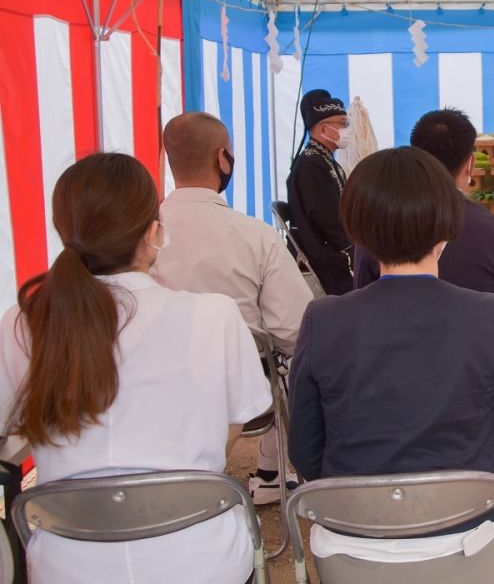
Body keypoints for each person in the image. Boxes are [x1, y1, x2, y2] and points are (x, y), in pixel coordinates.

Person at [0, 153, 270, 584]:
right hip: (201, 559)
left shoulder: (22, 323)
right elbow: (235, 424)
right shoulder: (213, 315)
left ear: (63, 230)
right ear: (154, 232)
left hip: (68, 563)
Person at [288, 147, 494, 565]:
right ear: (447, 226)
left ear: (359, 232)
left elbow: (306, 447)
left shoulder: (323, 319)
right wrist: (476, 491)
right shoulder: (493, 315)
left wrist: (360, 497)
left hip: (354, 542)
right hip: (470, 536)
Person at [154, 111, 313, 504]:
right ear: (222, 159)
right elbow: (295, 329)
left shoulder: (140, 236)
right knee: (291, 360)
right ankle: (275, 470)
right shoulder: (254, 235)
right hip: (245, 396)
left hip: (154, 387)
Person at [352, 108, 494, 316]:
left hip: (391, 343)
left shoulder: (376, 221)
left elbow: (362, 303)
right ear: (471, 164)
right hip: (474, 345)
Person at [287, 89, 353, 295]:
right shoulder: (312, 165)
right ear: (323, 128)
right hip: (327, 256)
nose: (347, 130)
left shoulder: (324, 160)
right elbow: (329, 221)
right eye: (342, 124)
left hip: (333, 247)